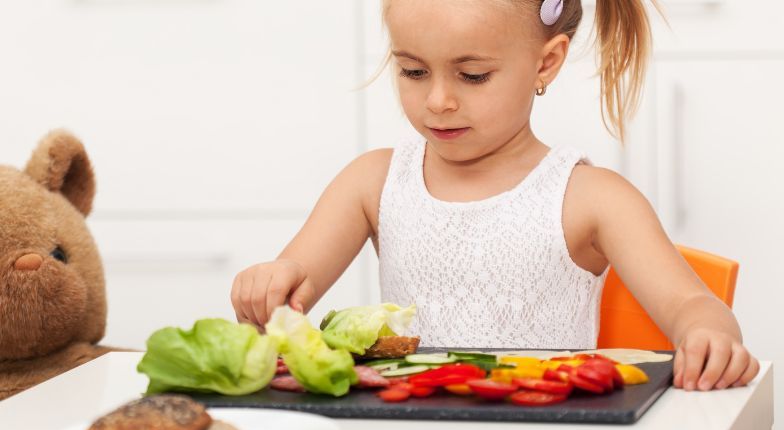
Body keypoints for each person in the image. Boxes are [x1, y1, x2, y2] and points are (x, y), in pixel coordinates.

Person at [230, 0, 759, 391]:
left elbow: (691, 304)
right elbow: (288, 291)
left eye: (473, 75)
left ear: (546, 63)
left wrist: (707, 334)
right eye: (413, 71)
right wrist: (269, 284)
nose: (438, 100)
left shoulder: (591, 198)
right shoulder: (372, 182)